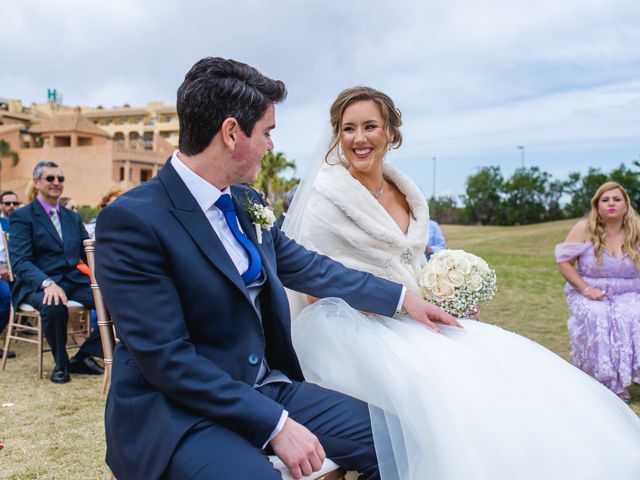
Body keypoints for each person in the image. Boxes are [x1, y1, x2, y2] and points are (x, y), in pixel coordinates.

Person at [94, 57, 457, 480]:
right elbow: (166, 359)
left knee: (400, 444)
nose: (271, 145)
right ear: (232, 133)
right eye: (267, 132)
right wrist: (275, 425)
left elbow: (315, 270)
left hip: (268, 388)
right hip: (179, 413)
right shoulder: (133, 220)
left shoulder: (247, 205)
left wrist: (403, 299)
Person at [283, 86, 640, 479]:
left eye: (370, 126)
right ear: (337, 136)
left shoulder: (405, 191)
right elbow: (314, 287)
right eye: (348, 129)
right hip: (353, 325)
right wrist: (393, 309)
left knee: (504, 374)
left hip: (414, 315)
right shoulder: (325, 200)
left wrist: (442, 295)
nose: (359, 138)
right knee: (442, 398)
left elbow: (412, 263)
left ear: (390, 133)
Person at [9, 161, 104, 383]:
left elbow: (86, 252)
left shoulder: (72, 217)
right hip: (37, 282)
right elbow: (20, 261)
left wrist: (110, 276)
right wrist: (46, 283)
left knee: (117, 300)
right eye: (50, 178)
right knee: (53, 305)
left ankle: (83, 356)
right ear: (37, 182)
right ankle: (61, 365)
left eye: (60, 179)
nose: (56, 183)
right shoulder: (23, 217)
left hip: (73, 280)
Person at [556, 181, 640, 402]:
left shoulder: (637, 229)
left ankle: (633, 376)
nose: (611, 203)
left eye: (616, 199)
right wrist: (586, 289)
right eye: (605, 200)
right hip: (589, 290)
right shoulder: (584, 228)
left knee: (634, 314)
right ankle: (606, 382)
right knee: (599, 315)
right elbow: (564, 262)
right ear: (597, 205)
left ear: (626, 205)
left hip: (630, 291)